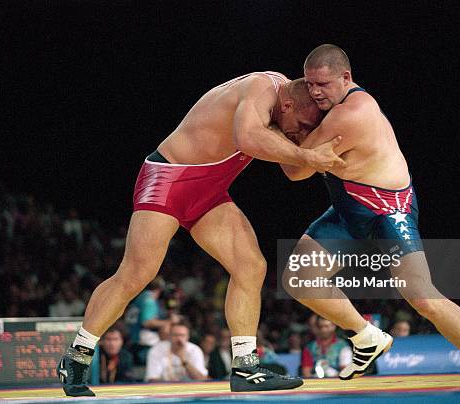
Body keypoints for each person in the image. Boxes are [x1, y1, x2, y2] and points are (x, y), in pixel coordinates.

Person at [57, 71, 346, 396]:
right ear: (289, 103)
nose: (300, 133)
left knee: (251, 266)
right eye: (302, 126)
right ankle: (77, 357)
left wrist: (326, 154)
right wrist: (306, 154)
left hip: (209, 191)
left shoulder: (284, 109)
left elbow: (294, 172)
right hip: (168, 179)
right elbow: (249, 138)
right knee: (136, 274)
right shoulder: (260, 88)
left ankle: (245, 367)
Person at [281, 44, 460, 384]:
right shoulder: (330, 107)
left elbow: (295, 171)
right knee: (300, 279)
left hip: (388, 210)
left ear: (346, 78)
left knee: (422, 296)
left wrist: (279, 130)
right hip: (349, 209)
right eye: (310, 83)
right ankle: (367, 336)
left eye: (324, 84)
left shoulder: (351, 114)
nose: (315, 91)